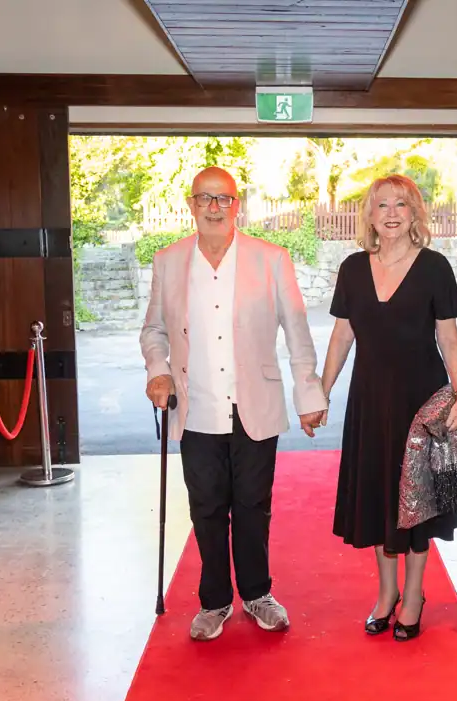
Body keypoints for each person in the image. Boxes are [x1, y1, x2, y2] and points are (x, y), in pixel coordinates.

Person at [140, 166, 328, 642]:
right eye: (205, 198)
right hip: (195, 406)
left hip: (254, 404)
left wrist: (308, 393)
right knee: (205, 508)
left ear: (236, 205)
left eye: (223, 198)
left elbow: (297, 332)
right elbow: (154, 330)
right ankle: (214, 601)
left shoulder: (271, 259)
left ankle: (258, 593)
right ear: (191, 204)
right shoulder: (169, 261)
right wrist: (158, 369)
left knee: (252, 505)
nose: (214, 207)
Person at [320, 174, 457, 642]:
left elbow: (448, 337)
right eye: (381, 204)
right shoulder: (352, 269)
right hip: (369, 402)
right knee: (380, 496)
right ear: (369, 214)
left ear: (415, 214)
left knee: (418, 501)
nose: (390, 213)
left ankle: (414, 596)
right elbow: (342, 336)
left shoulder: (435, 267)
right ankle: (386, 594)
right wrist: (321, 390)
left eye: (400, 205)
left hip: (421, 401)